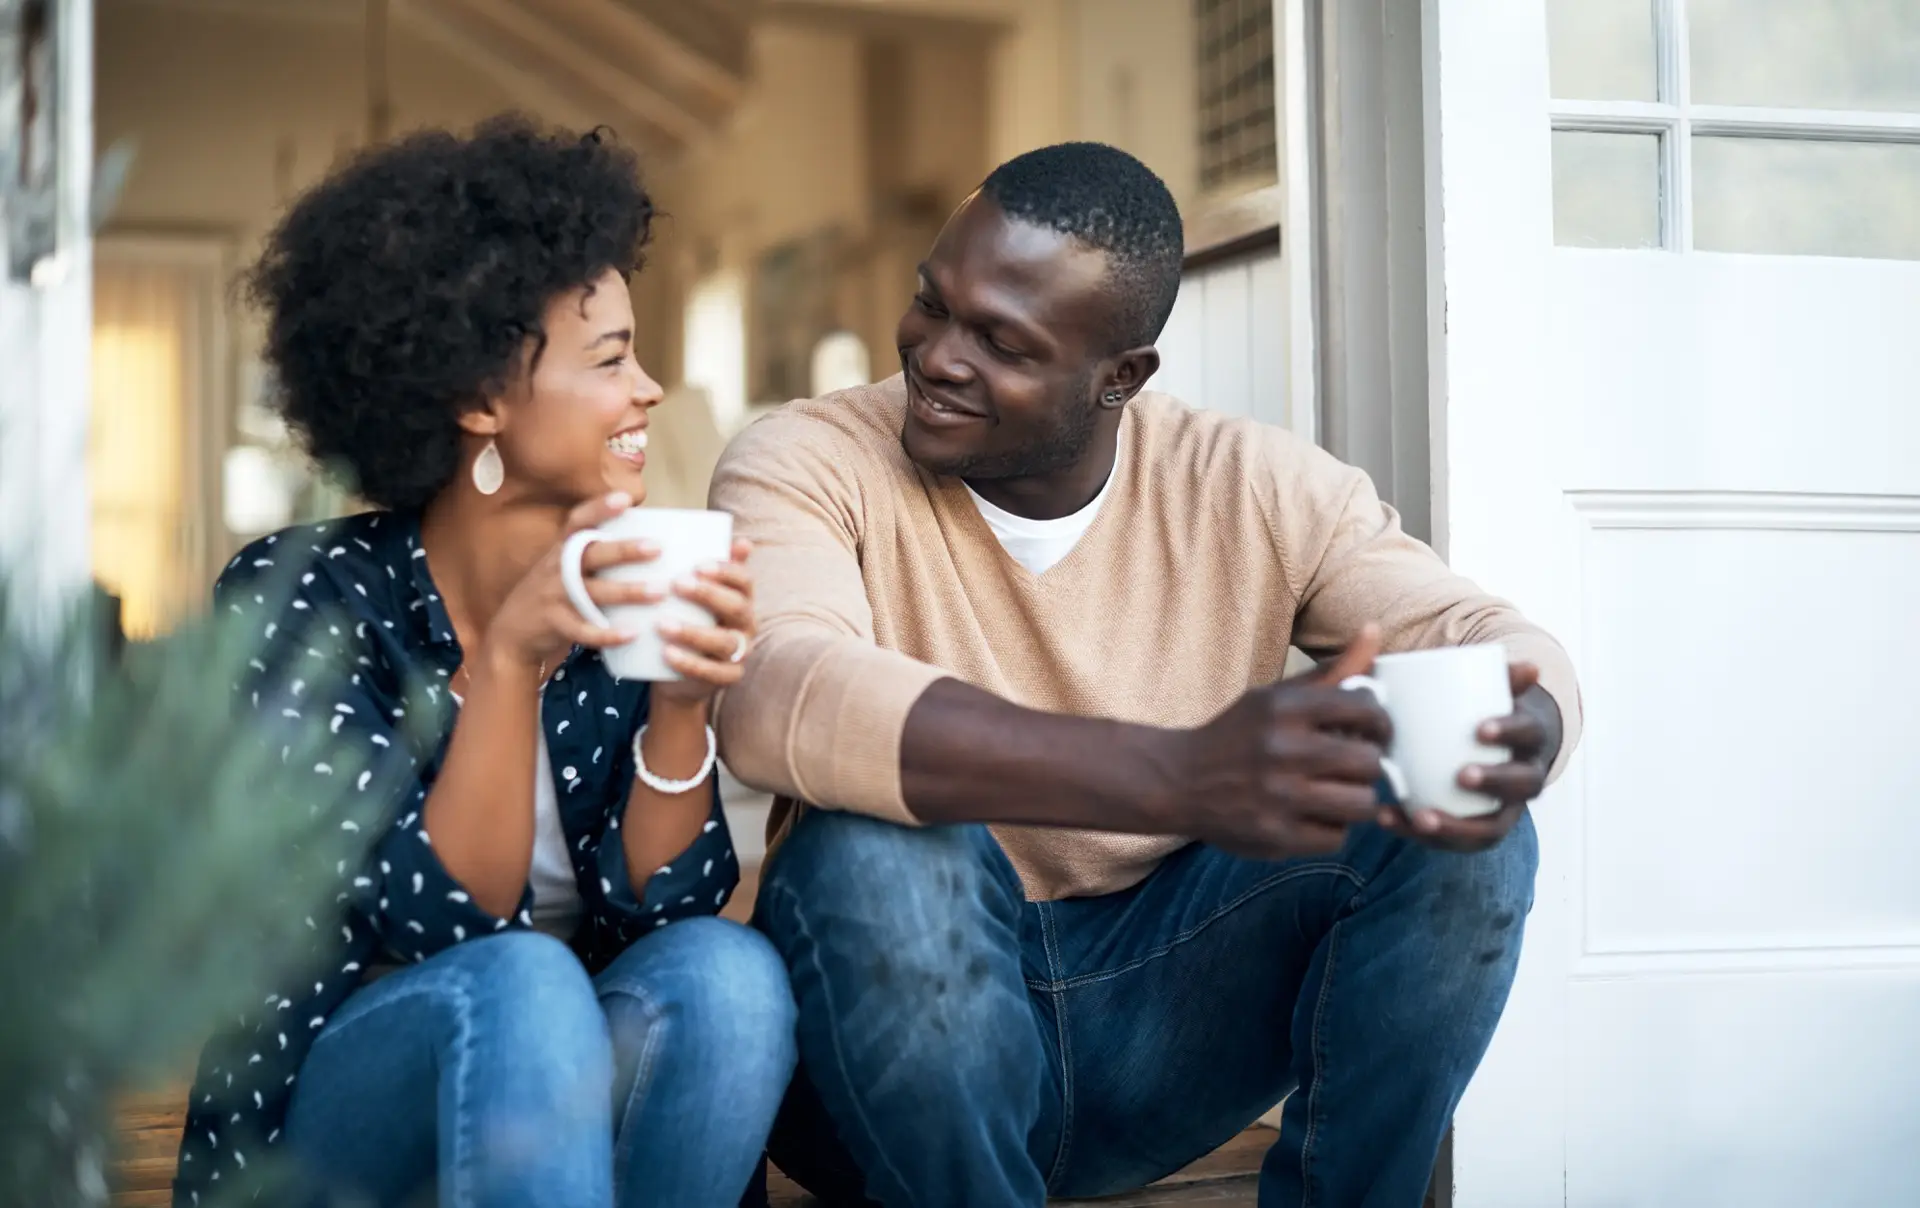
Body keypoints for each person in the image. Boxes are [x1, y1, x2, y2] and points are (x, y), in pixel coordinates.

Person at [709, 141, 1583, 1208]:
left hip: (1159, 1033)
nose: (936, 356)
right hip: (884, 1068)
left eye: (1002, 340)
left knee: (1461, 824)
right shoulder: (804, 457)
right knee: (874, 844)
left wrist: (1526, 720)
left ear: (1121, 375)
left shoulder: (1254, 484)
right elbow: (779, 692)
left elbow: (1486, 634)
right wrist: (1176, 772)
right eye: (933, 305)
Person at [173, 117, 795, 1208]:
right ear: (477, 400)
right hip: (340, 1133)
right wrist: (508, 661)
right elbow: (436, 922)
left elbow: (663, 913)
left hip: (557, 1133)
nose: (649, 390)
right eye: (610, 359)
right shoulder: (306, 602)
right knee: (518, 983)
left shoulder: (624, 583)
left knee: (731, 977)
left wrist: (682, 705)